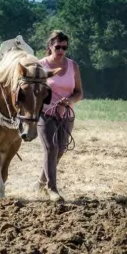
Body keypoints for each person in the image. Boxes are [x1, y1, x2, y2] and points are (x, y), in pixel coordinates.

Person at [35, 30, 83, 201]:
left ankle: (41, 181)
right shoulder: (40, 66)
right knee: (51, 148)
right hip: (45, 113)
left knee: (60, 149)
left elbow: (79, 93)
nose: (61, 50)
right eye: (58, 47)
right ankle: (52, 188)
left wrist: (68, 101)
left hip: (66, 114)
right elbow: (31, 91)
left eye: (65, 47)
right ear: (50, 46)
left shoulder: (73, 66)